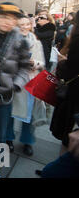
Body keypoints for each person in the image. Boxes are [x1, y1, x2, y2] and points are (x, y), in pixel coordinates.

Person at [0, 2, 32, 178]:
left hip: (4, 97)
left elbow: (25, 67)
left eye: (13, 19)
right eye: (4, 17)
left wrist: (16, 84)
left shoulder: (21, 41)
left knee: (1, 136)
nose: (8, 22)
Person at [6, 16, 47, 157]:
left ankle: (27, 141)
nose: (23, 27)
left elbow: (43, 64)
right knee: (10, 113)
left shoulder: (37, 43)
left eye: (26, 24)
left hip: (31, 83)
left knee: (29, 115)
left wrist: (35, 63)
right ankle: (8, 139)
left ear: (30, 25)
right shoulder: (11, 41)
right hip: (15, 82)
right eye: (20, 24)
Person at [50, 11, 79, 156]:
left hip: (73, 94)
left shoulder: (77, 41)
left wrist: (62, 61)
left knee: (68, 134)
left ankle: (61, 167)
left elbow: (70, 68)